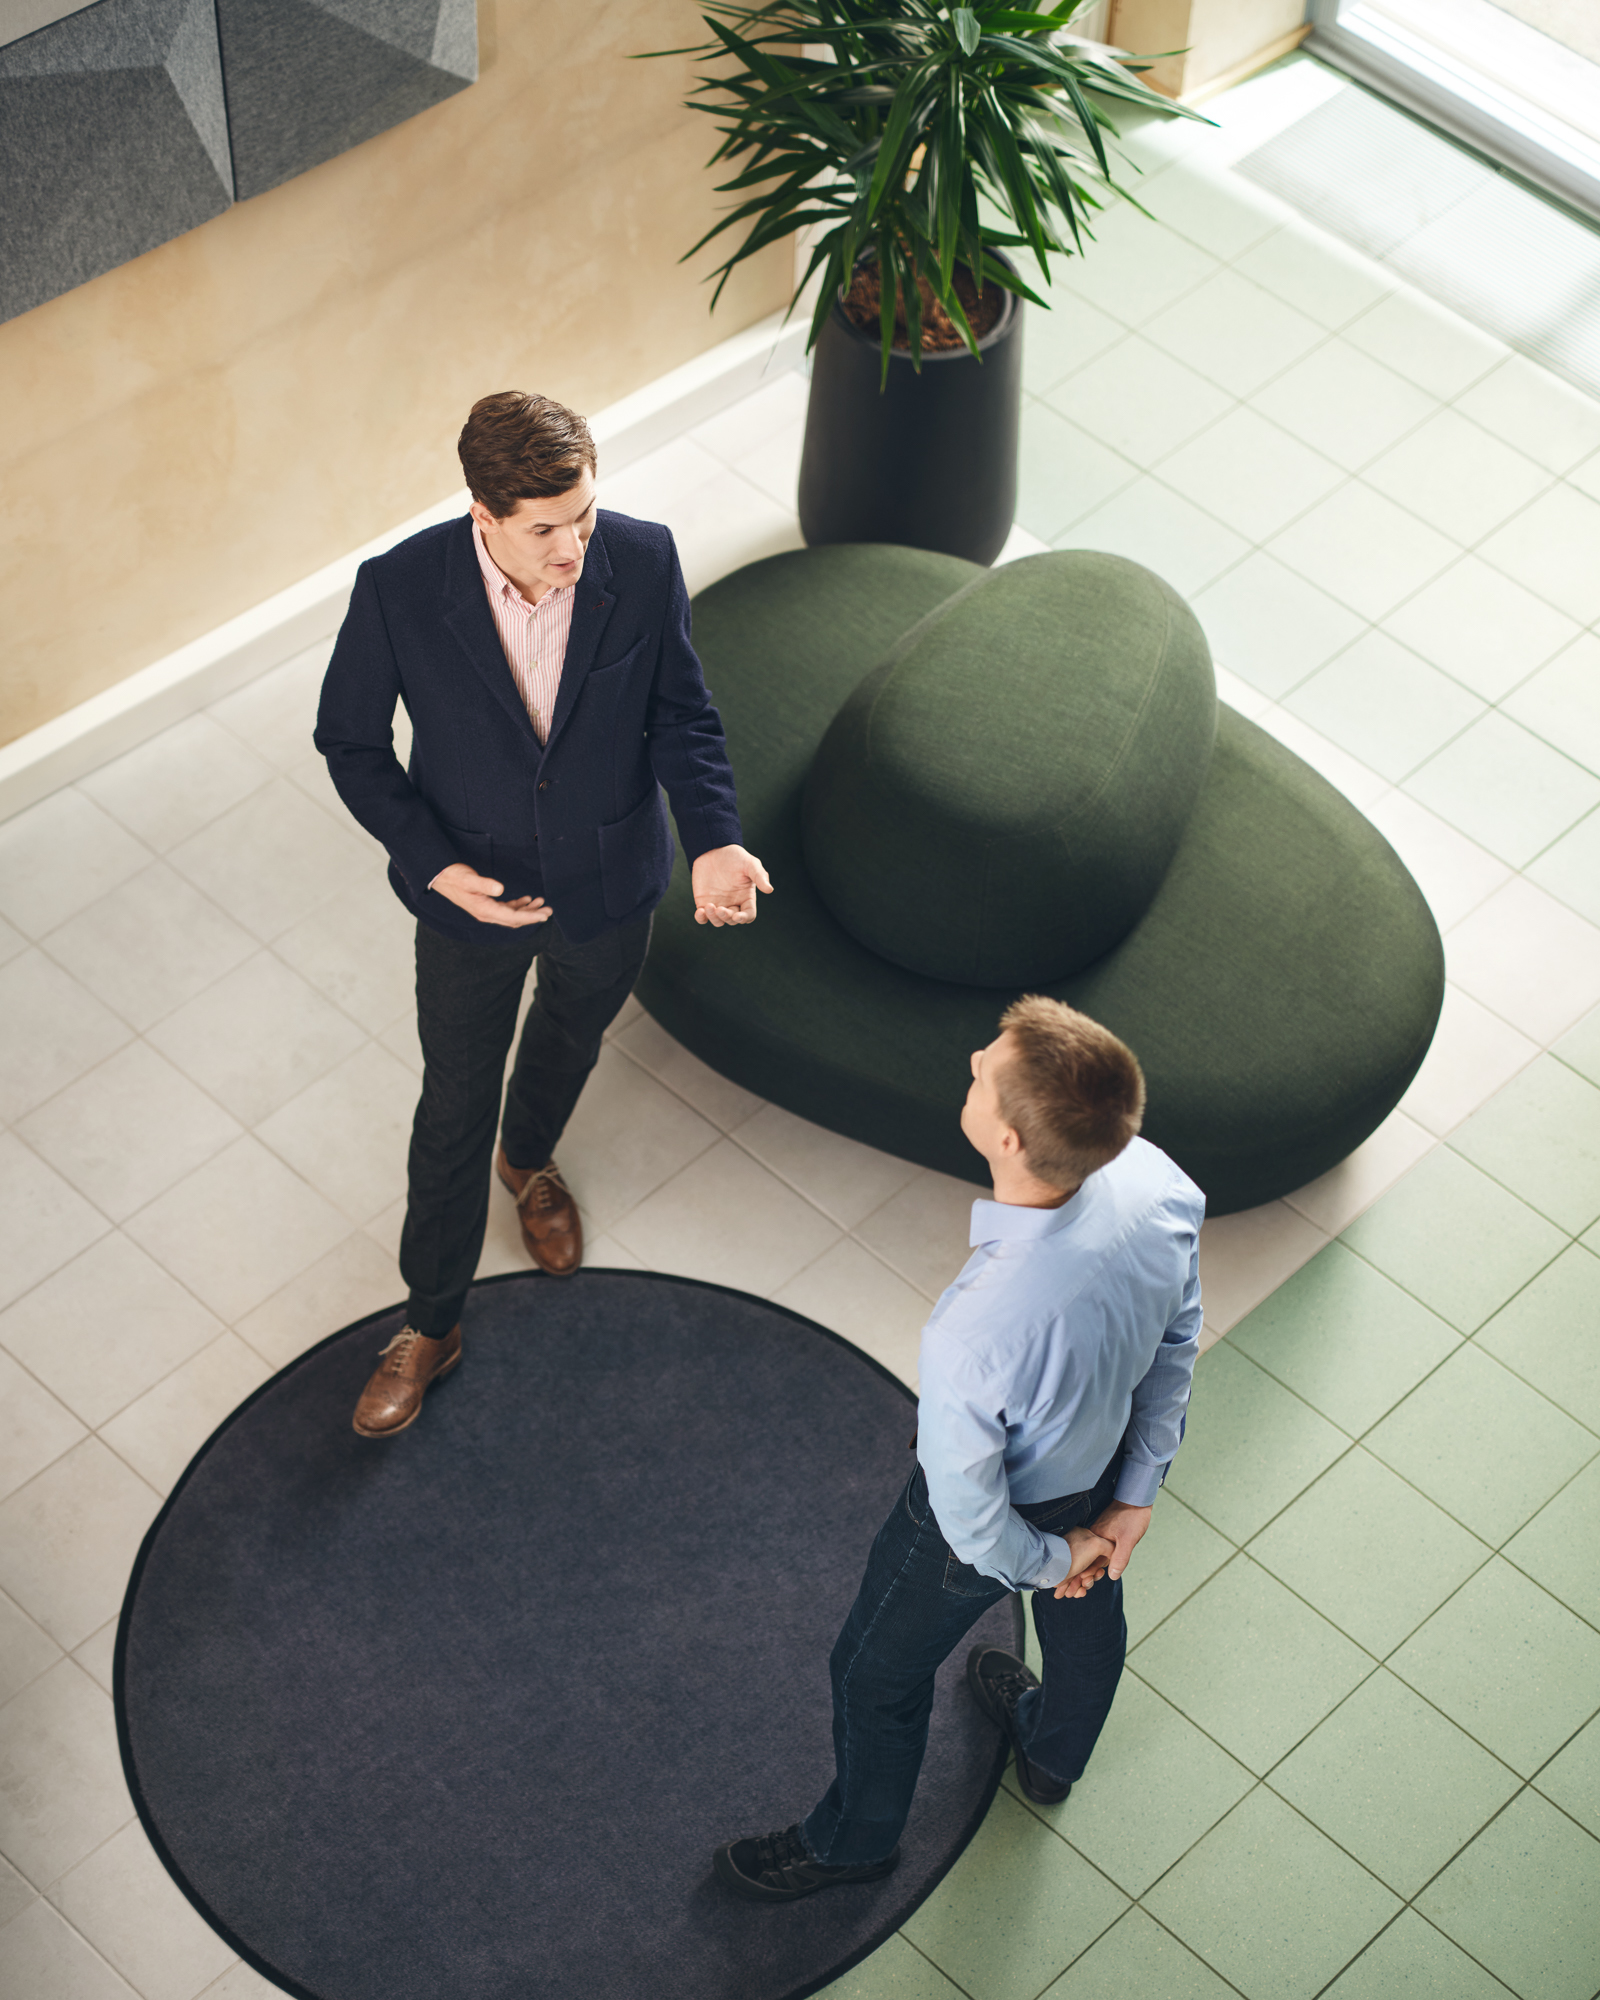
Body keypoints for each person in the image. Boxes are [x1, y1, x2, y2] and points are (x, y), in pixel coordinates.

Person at [315, 391, 771, 1439]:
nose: (573, 549)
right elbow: (351, 743)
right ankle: (431, 1322)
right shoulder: (398, 589)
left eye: (585, 516)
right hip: (469, 902)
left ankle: (528, 1160)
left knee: (570, 1035)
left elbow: (681, 715)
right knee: (452, 1104)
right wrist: (433, 866)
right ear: (483, 513)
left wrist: (712, 835)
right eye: (545, 529)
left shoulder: (643, 560)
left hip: (610, 883)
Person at [714, 996, 1203, 1901]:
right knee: (1086, 1620)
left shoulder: (975, 1335)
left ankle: (853, 1844)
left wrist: (1053, 1557)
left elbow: (971, 1520)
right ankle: (1051, 1754)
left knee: (872, 1673)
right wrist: (1134, 1492)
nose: (973, 1059)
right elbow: (1177, 1340)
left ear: (1008, 1140)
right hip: (1104, 1467)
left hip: (1004, 1512)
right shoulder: (1159, 1182)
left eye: (986, 1069)